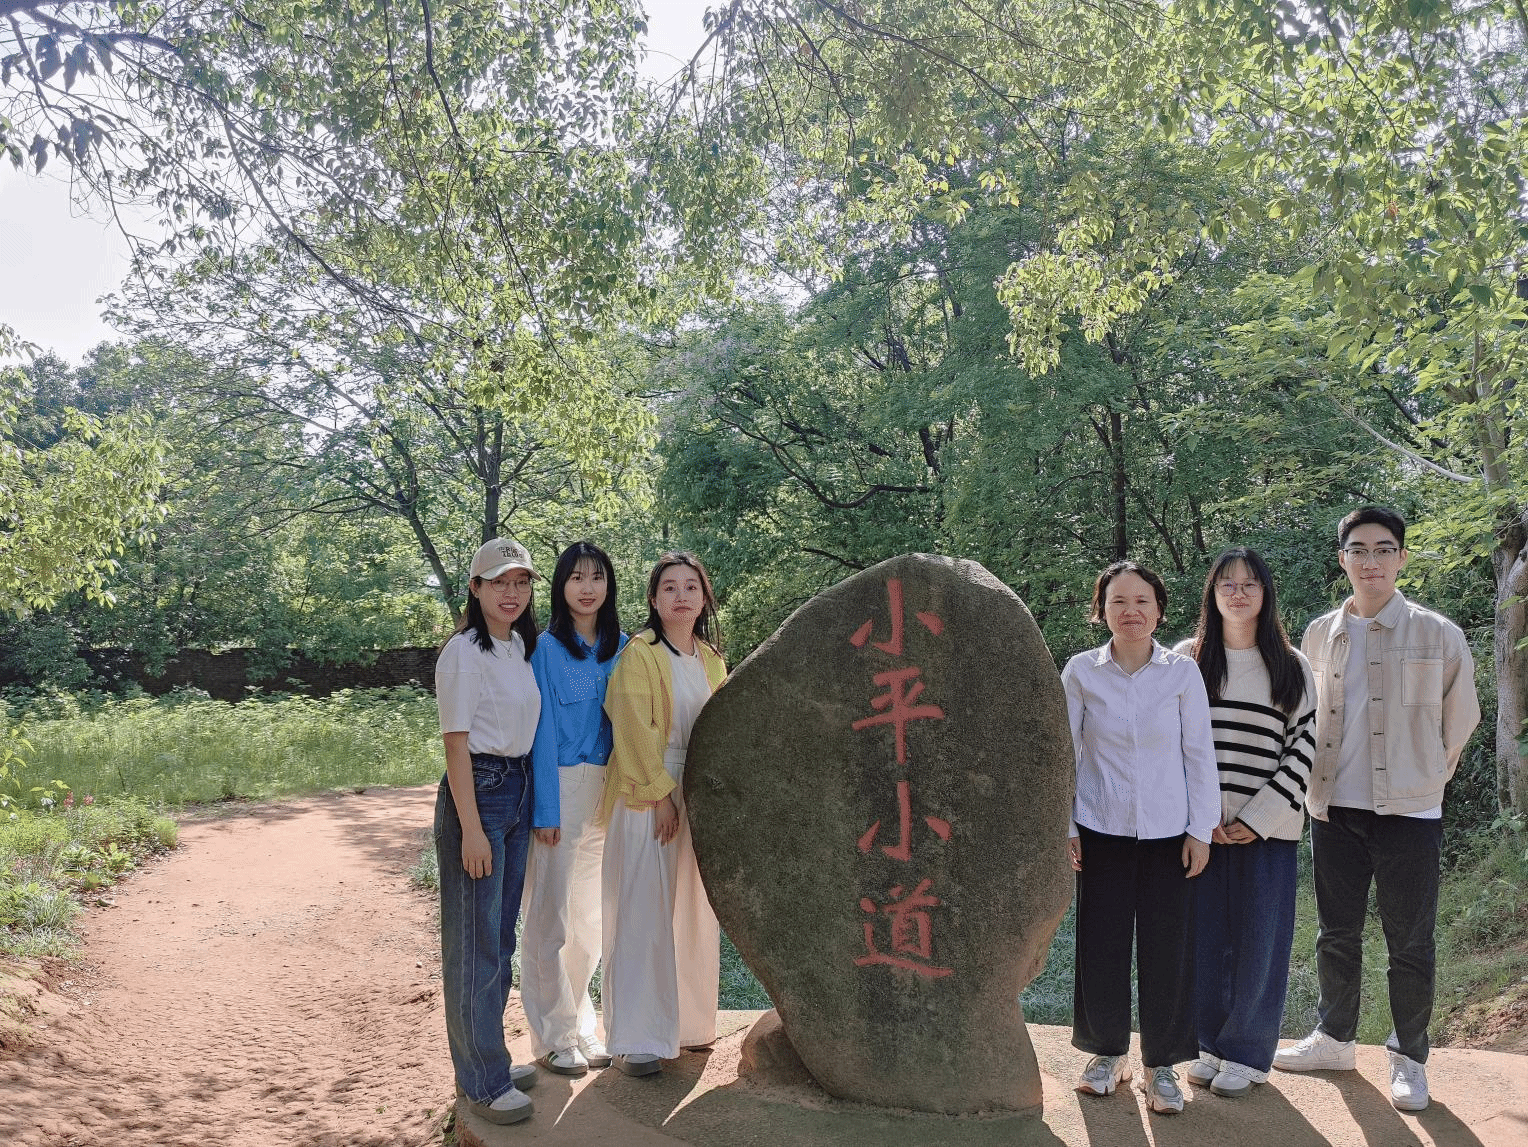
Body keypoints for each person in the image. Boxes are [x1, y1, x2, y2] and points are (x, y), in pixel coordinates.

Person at [1274, 506, 1479, 1112]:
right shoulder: (1319, 634)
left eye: (1384, 549)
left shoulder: (1438, 634)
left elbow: (1460, 720)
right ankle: (1334, 1038)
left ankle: (1409, 1056)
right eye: (1359, 550)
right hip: (1334, 808)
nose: (1371, 561)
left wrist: (1425, 780)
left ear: (1402, 558)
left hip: (1410, 814)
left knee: (1409, 941)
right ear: (1342, 560)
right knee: (1335, 933)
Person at [1062, 560, 1219, 1115]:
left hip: (1169, 834)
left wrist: (1201, 830)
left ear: (1159, 610)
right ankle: (1107, 1054)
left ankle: (1162, 1065)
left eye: (1142, 601)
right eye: (1118, 602)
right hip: (1100, 828)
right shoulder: (1081, 672)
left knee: (1167, 949)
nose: (1131, 612)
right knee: (1101, 945)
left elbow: (1199, 753)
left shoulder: (1181, 673)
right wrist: (1067, 825)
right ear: (1101, 610)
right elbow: (1066, 754)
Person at [1174, 548, 1317, 1098]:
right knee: (1203, 939)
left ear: (1265, 594)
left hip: (1268, 830)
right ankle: (1208, 1044)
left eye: (1250, 583)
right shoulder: (1187, 660)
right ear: (1211, 594)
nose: (1238, 593)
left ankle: (1248, 1053)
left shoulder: (1291, 665)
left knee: (1261, 940)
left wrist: (1259, 818)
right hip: (1199, 831)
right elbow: (1170, 744)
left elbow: (1303, 745)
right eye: (1227, 584)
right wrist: (1200, 816)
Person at [598, 552, 727, 1077]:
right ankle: (637, 1039)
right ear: (653, 599)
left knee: (694, 910)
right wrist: (661, 796)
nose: (681, 596)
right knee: (643, 911)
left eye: (691, 586)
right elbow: (632, 730)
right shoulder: (640, 654)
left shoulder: (711, 659)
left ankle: (689, 1025)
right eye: (669, 587)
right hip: (645, 791)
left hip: (698, 791)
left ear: (704, 597)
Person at [433, 537, 543, 1126]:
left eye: (521, 582)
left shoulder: (516, 646)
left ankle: (487, 1057)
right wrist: (471, 830)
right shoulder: (463, 652)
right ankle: (482, 1079)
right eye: (499, 582)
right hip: (478, 792)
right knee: (474, 943)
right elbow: (455, 747)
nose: (511, 593)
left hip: (517, 788)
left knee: (500, 939)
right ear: (475, 588)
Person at [519, 542, 627, 1077]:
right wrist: (546, 808)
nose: (587, 588)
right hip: (560, 787)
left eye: (597, 577)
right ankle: (552, 1036)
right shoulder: (544, 649)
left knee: (589, 920)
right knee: (549, 919)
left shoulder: (623, 648)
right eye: (576, 578)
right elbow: (539, 733)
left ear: (609, 586)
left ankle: (582, 1024)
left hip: (610, 791)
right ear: (561, 587)